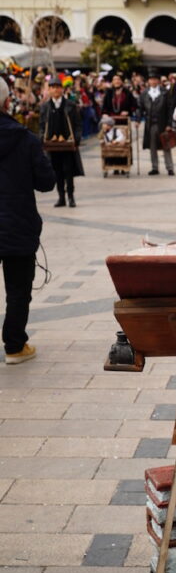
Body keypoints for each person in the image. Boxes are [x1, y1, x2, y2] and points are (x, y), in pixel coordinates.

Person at [0, 77, 56, 363]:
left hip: (15, 224)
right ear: (8, 101)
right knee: (18, 290)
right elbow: (46, 182)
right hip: (16, 225)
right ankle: (14, 346)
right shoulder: (25, 138)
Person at [39, 77, 84, 207]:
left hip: (68, 145)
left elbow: (78, 124)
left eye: (58, 87)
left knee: (68, 171)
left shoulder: (70, 105)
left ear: (62, 89)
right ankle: (61, 197)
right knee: (57, 171)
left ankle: (71, 196)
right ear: (49, 90)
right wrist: (43, 138)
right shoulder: (45, 107)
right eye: (52, 87)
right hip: (53, 146)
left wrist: (76, 139)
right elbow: (42, 125)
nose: (56, 90)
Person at [140, 74, 174, 176]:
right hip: (151, 123)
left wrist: (169, 123)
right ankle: (154, 167)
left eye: (155, 79)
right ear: (148, 81)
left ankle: (170, 167)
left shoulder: (165, 92)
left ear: (158, 81)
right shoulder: (145, 93)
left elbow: (170, 109)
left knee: (166, 145)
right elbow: (140, 108)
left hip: (163, 123)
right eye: (151, 79)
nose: (153, 82)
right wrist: (137, 119)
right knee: (152, 146)